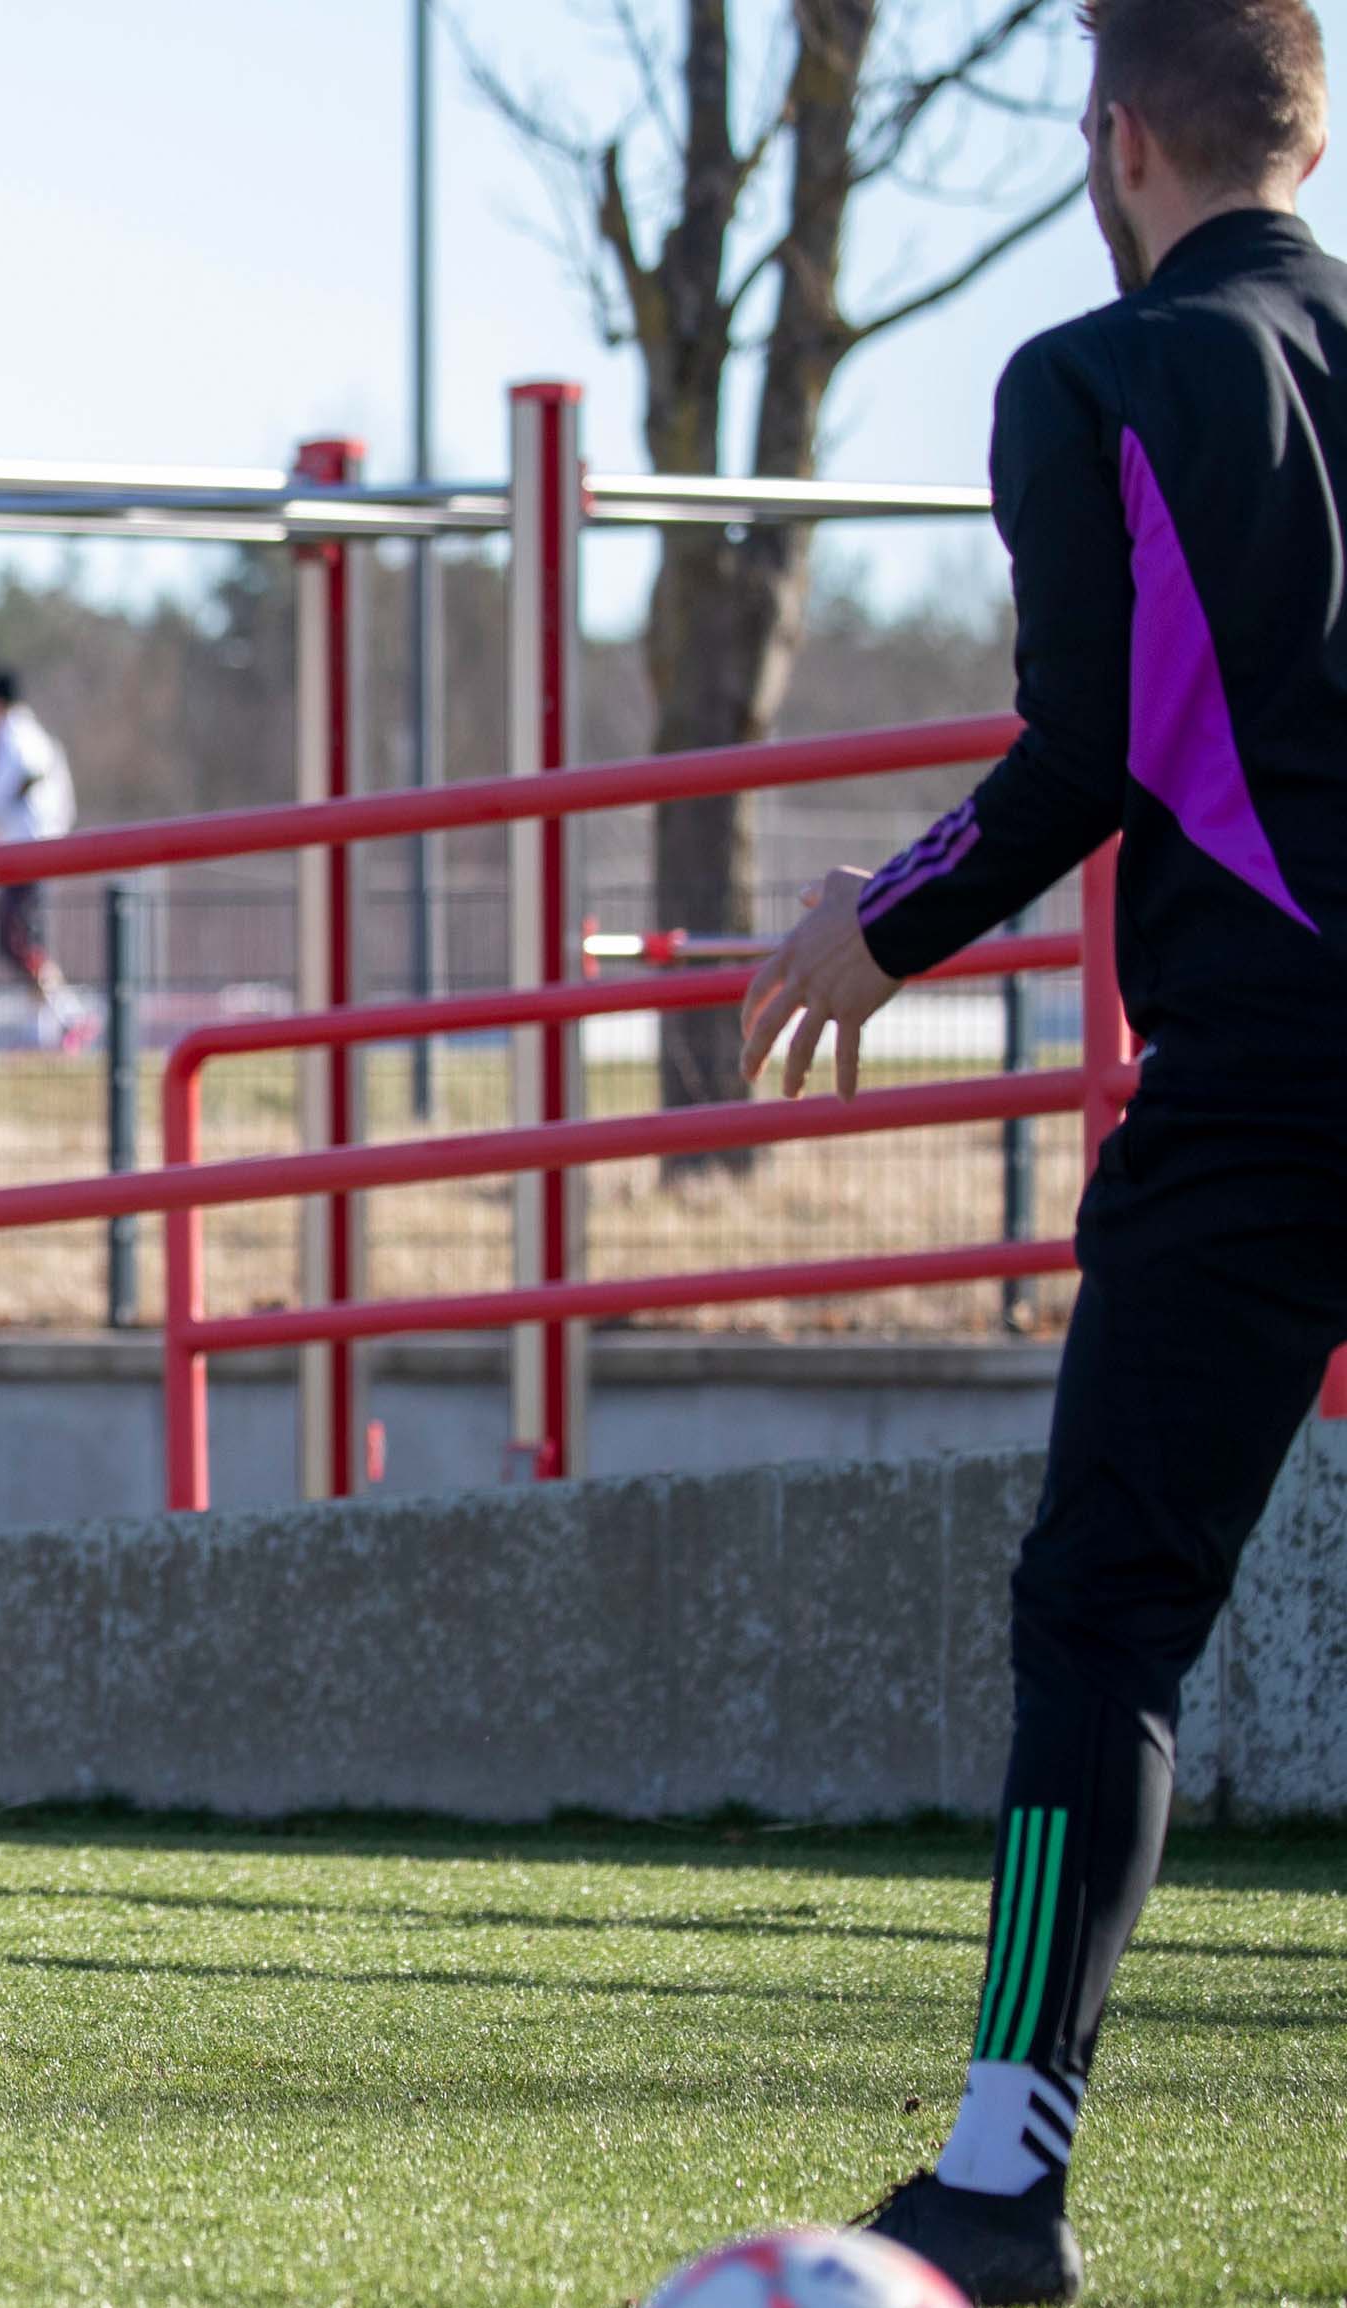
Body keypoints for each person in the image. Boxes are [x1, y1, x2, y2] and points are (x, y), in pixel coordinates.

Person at [737, 7, 1335, 2296]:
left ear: (1112, 135)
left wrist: (868, 928)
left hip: (1268, 1086)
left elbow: (1091, 742)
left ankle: (1006, 2167)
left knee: (1103, 1607)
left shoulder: (1090, 380)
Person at [0, 667, 91, 1052]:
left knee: (15, 942)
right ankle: (47, 1030)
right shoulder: (40, 739)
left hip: (22, 851)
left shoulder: (12, 736)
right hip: (40, 847)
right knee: (27, 940)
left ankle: (71, 1015)